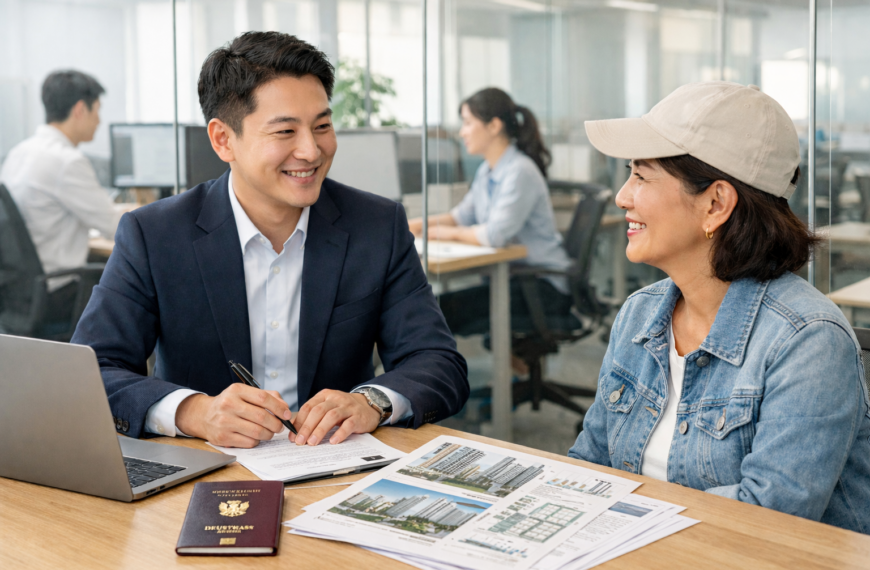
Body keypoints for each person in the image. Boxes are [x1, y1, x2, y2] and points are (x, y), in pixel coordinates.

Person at [71, 32, 468, 449]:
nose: (311, 151)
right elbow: (91, 369)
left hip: (336, 465)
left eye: (322, 127)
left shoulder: (377, 226)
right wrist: (195, 412)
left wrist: (372, 401)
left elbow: (438, 361)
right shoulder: (155, 234)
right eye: (285, 132)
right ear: (224, 139)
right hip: (201, 469)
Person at [569, 81, 870, 533]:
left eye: (641, 175)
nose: (622, 196)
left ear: (715, 203)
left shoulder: (808, 339)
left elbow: (765, 521)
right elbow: (589, 464)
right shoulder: (639, 314)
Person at [409, 88, 573, 344]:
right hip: (515, 280)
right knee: (433, 309)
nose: (462, 132)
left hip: (541, 287)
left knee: (436, 312)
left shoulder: (520, 171)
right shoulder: (488, 170)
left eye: (467, 123)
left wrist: (443, 233)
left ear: (494, 126)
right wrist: (413, 226)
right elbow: (460, 216)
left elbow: (494, 235)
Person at [1, 70, 119, 312]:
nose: (99, 120)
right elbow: (116, 226)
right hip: (56, 293)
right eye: (97, 109)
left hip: (17, 292)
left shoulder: (19, 152)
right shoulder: (67, 161)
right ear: (79, 110)